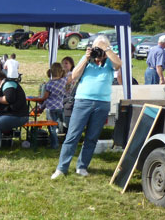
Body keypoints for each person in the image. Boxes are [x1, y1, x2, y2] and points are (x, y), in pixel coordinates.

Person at [51, 35, 121, 179]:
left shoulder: (109, 61)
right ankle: (61, 168)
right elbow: (74, 76)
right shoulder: (87, 61)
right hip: (83, 102)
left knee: (92, 137)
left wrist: (106, 49)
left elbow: (118, 65)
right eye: (97, 48)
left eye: (101, 49)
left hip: (102, 103)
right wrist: (86, 57)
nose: (99, 53)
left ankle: (82, 166)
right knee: (73, 135)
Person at [0, 70, 29, 161]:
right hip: (9, 114)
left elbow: (9, 99)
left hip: (19, 116)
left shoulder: (9, 84)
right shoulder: (0, 89)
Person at [37, 62, 66, 150]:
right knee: (62, 125)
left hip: (51, 108)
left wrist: (40, 100)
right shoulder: (63, 81)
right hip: (60, 106)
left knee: (52, 127)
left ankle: (54, 144)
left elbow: (45, 97)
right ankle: (63, 142)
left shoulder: (49, 84)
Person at [61, 56, 76, 132]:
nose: (64, 65)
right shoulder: (63, 75)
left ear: (71, 65)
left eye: (66, 63)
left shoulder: (71, 74)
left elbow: (66, 85)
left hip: (69, 97)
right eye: (62, 63)